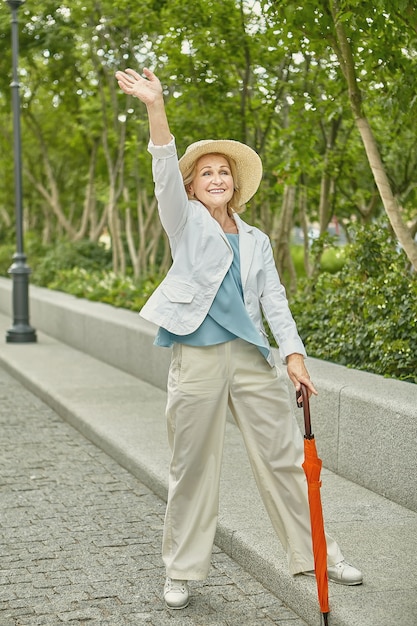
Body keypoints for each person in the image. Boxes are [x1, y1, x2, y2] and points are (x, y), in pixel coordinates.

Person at [115, 67, 363, 610]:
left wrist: (294, 355)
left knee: (284, 460)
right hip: (198, 356)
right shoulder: (183, 222)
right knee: (192, 466)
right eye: (206, 173)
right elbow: (162, 166)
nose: (217, 178)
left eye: (223, 172)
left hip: (251, 360)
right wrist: (156, 106)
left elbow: (274, 299)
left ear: (236, 184)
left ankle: (319, 555)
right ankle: (181, 570)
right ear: (192, 186)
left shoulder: (256, 240)